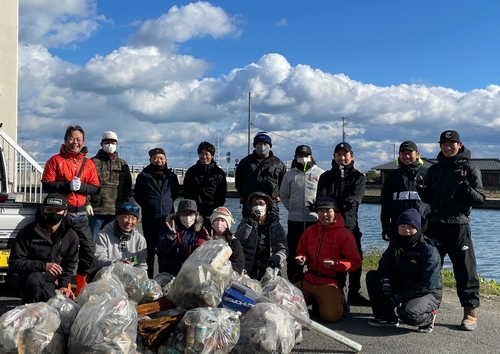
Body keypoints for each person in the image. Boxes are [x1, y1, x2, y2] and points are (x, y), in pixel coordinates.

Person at [416, 130, 485, 331]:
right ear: (440, 146)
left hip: (458, 225)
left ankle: (470, 311)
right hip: (436, 225)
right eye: (444, 145)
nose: (447, 148)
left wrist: (465, 187)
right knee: (429, 267)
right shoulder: (435, 169)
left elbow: (479, 199)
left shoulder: (470, 168)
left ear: (459, 145)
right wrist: (421, 189)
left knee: (465, 270)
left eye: (451, 144)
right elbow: (429, 198)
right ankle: (425, 309)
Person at [41, 125, 100, 295]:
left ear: (83, 142)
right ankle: (63, 286)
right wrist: (67, 185)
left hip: (80, 212)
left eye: (79, 139)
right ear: (66, 140)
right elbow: (47, 184)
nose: (75, 142)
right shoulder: (55, 160)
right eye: (72, 138)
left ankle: (81, 282)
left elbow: (95, 188)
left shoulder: (88, 164)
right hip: (61, 213)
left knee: (88, 249)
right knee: (60, 251)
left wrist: (81, 187)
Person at [366, 209, 442, 333]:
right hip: (402, 283)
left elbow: (427, 285)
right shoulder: (396, 242)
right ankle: (387, 318)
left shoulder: (428, 250)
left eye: (410, 227)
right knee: (373, 277)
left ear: (418, 228)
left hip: (427, 292)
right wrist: (386, 286)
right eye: (403, 226)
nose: (406, 230)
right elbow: (384, 265)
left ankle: (429, 319)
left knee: (408, 314)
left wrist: (397, 298)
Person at [316, 142, 368, 305]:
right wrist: (334, 206)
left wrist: (341, 204)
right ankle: (336, 291)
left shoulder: (359, 177)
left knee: (355, 257)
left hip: (349, 225)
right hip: (329, 225)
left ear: (352, 156)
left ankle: (354, 291)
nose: (342, 157)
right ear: (334, 157)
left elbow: (355, 197)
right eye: (338, 154)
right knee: (333, 258)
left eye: (345, 154)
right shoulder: (325, 177)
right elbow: (321, 198)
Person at [294, 197, 361, 323]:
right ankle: (316, 299)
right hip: (308, 280)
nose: (324, 214)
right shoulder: (310, 231)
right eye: (321, 211)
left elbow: (355, 263)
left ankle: (339, 300)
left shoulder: (345, 235)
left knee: (330, 317)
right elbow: (301, 251)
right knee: (284, 304)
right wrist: (303, 258)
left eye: (328, 211)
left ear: (335, 212)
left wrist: (336, 264)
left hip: (330, 282)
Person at [8, 193, 79, 303]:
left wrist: (64, 285)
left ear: (65, 212)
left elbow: (69, 265)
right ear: (42, 211)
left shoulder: (71, 236)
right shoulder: (28, 232)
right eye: (49, 210)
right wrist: (43, 266)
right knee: (35, 279)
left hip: (49, 281)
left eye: (58, 211)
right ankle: (30, 314)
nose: (53, 214)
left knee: (52, 305)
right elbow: (15, 263)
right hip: (25, 280)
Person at [280, 145, 324, 281]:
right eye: (299, 156)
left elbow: (324, 196)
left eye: (305, 155)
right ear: (295, 157)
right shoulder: (289, 174)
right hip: (295, 219)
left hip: (314, 220)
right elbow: (284, 195)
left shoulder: (320, 173)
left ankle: (313, 282)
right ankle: (294, 282)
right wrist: (291, 208)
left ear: (311, 156)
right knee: (294, 252)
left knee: (315, 252)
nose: (303, 158)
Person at [134, 147, 179, 278]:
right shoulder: (144, 176)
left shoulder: (172, 176)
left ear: (166, 160)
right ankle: (148, 278)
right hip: (150, 219)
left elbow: (174, 194)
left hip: (167, 219)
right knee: (149, 251)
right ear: (150, 160)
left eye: (161, 158)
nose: (158, 160)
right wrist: (149, 205)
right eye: (155, 158)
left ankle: (163, 278)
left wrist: (165, 204)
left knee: (165, 251)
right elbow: (138, 195)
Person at [380, 141, 430, 241]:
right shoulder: (393, 176)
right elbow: (385, 203)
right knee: (397, 255)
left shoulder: (428, 174)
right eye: (403, 153)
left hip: (423, 224)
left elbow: (435, 200)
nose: (406, 156)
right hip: (398, 225)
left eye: (409, 153)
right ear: (399, 155)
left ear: (417, 154)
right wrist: (385, 226)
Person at [88, 131, 132, 240]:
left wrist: (126, 209)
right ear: (101, 144)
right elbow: (87, 185)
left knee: (114, 242)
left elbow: (128, 188)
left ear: (117, 144)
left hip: (116, 212)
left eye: (113, 142)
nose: (110, 145)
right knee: (93, 243)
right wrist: (87, 203)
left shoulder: (123, 164)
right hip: (96, 210)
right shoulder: (92, 162)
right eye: (107, 142)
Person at [235, 191, 288, 280]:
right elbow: (237, 242)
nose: (258, 206)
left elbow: (283, 250)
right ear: (251, 207)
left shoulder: (276, 225)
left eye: (261, 204)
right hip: (248, 268)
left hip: (270, 269)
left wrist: (273, 261)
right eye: (255, 204)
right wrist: (249, 224)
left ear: (267, 206)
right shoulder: (245, 222)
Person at [235, 132, 286, 218]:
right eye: (259, 143)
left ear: (269, 145)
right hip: (250, 203)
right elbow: (238, 181)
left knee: (271, 228)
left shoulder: (279, 164)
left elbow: (284, 182)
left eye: (264, 143)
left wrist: (279, 195)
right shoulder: (245, 162)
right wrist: (245, 195)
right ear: (255, 145)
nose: (262, 146)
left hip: (271, 204)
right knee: (248, 228)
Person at [93, 198, 147, 275]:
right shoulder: (103, 235)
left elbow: (141, 264)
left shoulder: (140, 239)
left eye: (133, 218)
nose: (129, 222)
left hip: (130, 278)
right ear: (117, 217)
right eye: (126, 217)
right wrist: (116, 263)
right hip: (107, 277)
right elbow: (98, 260)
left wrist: (140, 277)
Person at [156, 199, 208, 276]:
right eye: (184, 213)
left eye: (191, 213)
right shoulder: (168, 227)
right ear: (178, 214)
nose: (187, 216)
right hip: (170, 270)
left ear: (196, 215)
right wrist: (170, 238)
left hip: (192, 272)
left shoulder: (202, 231)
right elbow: (161, 248)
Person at [183, 141, 227, 230]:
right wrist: (191, 210)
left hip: (213, 211)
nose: (204, 157)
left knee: (212, 236)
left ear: (212, 155)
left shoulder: (219, 173)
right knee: (194, 236)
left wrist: (215, 210)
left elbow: (222, 194)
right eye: (201, 154)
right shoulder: (191, 172)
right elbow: (186, 192)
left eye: (207, 154)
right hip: (195, 211)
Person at [208, 207, 245, 274]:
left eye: (222, 220)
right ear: (212, 222)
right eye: (216, 220)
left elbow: (238, 263)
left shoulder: (234, 242)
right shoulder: (206, 239)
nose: (219, 223)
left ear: (227, 224)